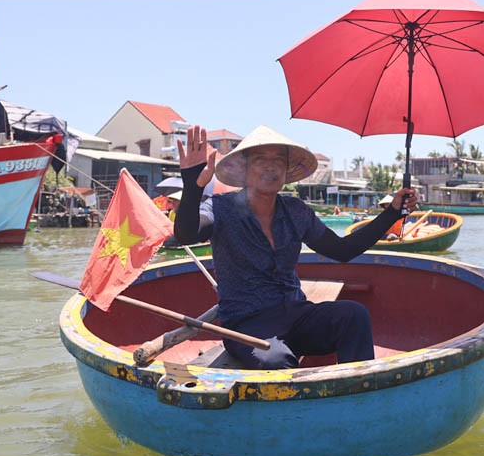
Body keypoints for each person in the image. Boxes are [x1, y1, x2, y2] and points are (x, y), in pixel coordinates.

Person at [174, 123, 418, 369]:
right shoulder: (220, 208)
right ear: (245, 171)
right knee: (275, 359)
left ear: (286, 170)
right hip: (247, 325)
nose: (271, 167)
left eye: (279, 161)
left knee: (353, 315)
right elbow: (186, 234)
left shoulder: (295, 211)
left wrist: (392, 214)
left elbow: (343, 250)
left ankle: (358, 392)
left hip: (296, 314)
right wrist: (192, 187)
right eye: (261, 160)